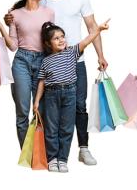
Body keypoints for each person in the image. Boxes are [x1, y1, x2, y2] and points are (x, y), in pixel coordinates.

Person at [4, 0, 106, 165]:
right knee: (49, 110)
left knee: (79, 105)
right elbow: (23, 9)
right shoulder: (42, 0)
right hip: (48, 62)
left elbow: (92, 26)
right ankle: (44, 155)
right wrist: (8, 19)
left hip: (76, 59)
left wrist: (101, 55)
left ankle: (83, 149)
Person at [0, 0, 54, 148]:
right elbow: (13, 46)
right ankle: (27, 153)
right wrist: (1, 26)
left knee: (42, 110)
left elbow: (52, 39)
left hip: (43, 62)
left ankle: (43, 152)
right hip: (22, 62)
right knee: (22, 111)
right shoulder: (14, 15)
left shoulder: (49, 12)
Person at [33, 19, 109, 172]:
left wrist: (98, 29)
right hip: (51, 95)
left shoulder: (72, 52)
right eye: (56, 38)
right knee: (52, 128)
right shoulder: (45, 61)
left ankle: (63, 159)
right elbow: (41, 82)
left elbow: (87, 40)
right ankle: (52, 159)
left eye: (62, 36)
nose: (61, 40)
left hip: (70, 94)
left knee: (67, 128)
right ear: (48, 44)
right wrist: (36, 102)